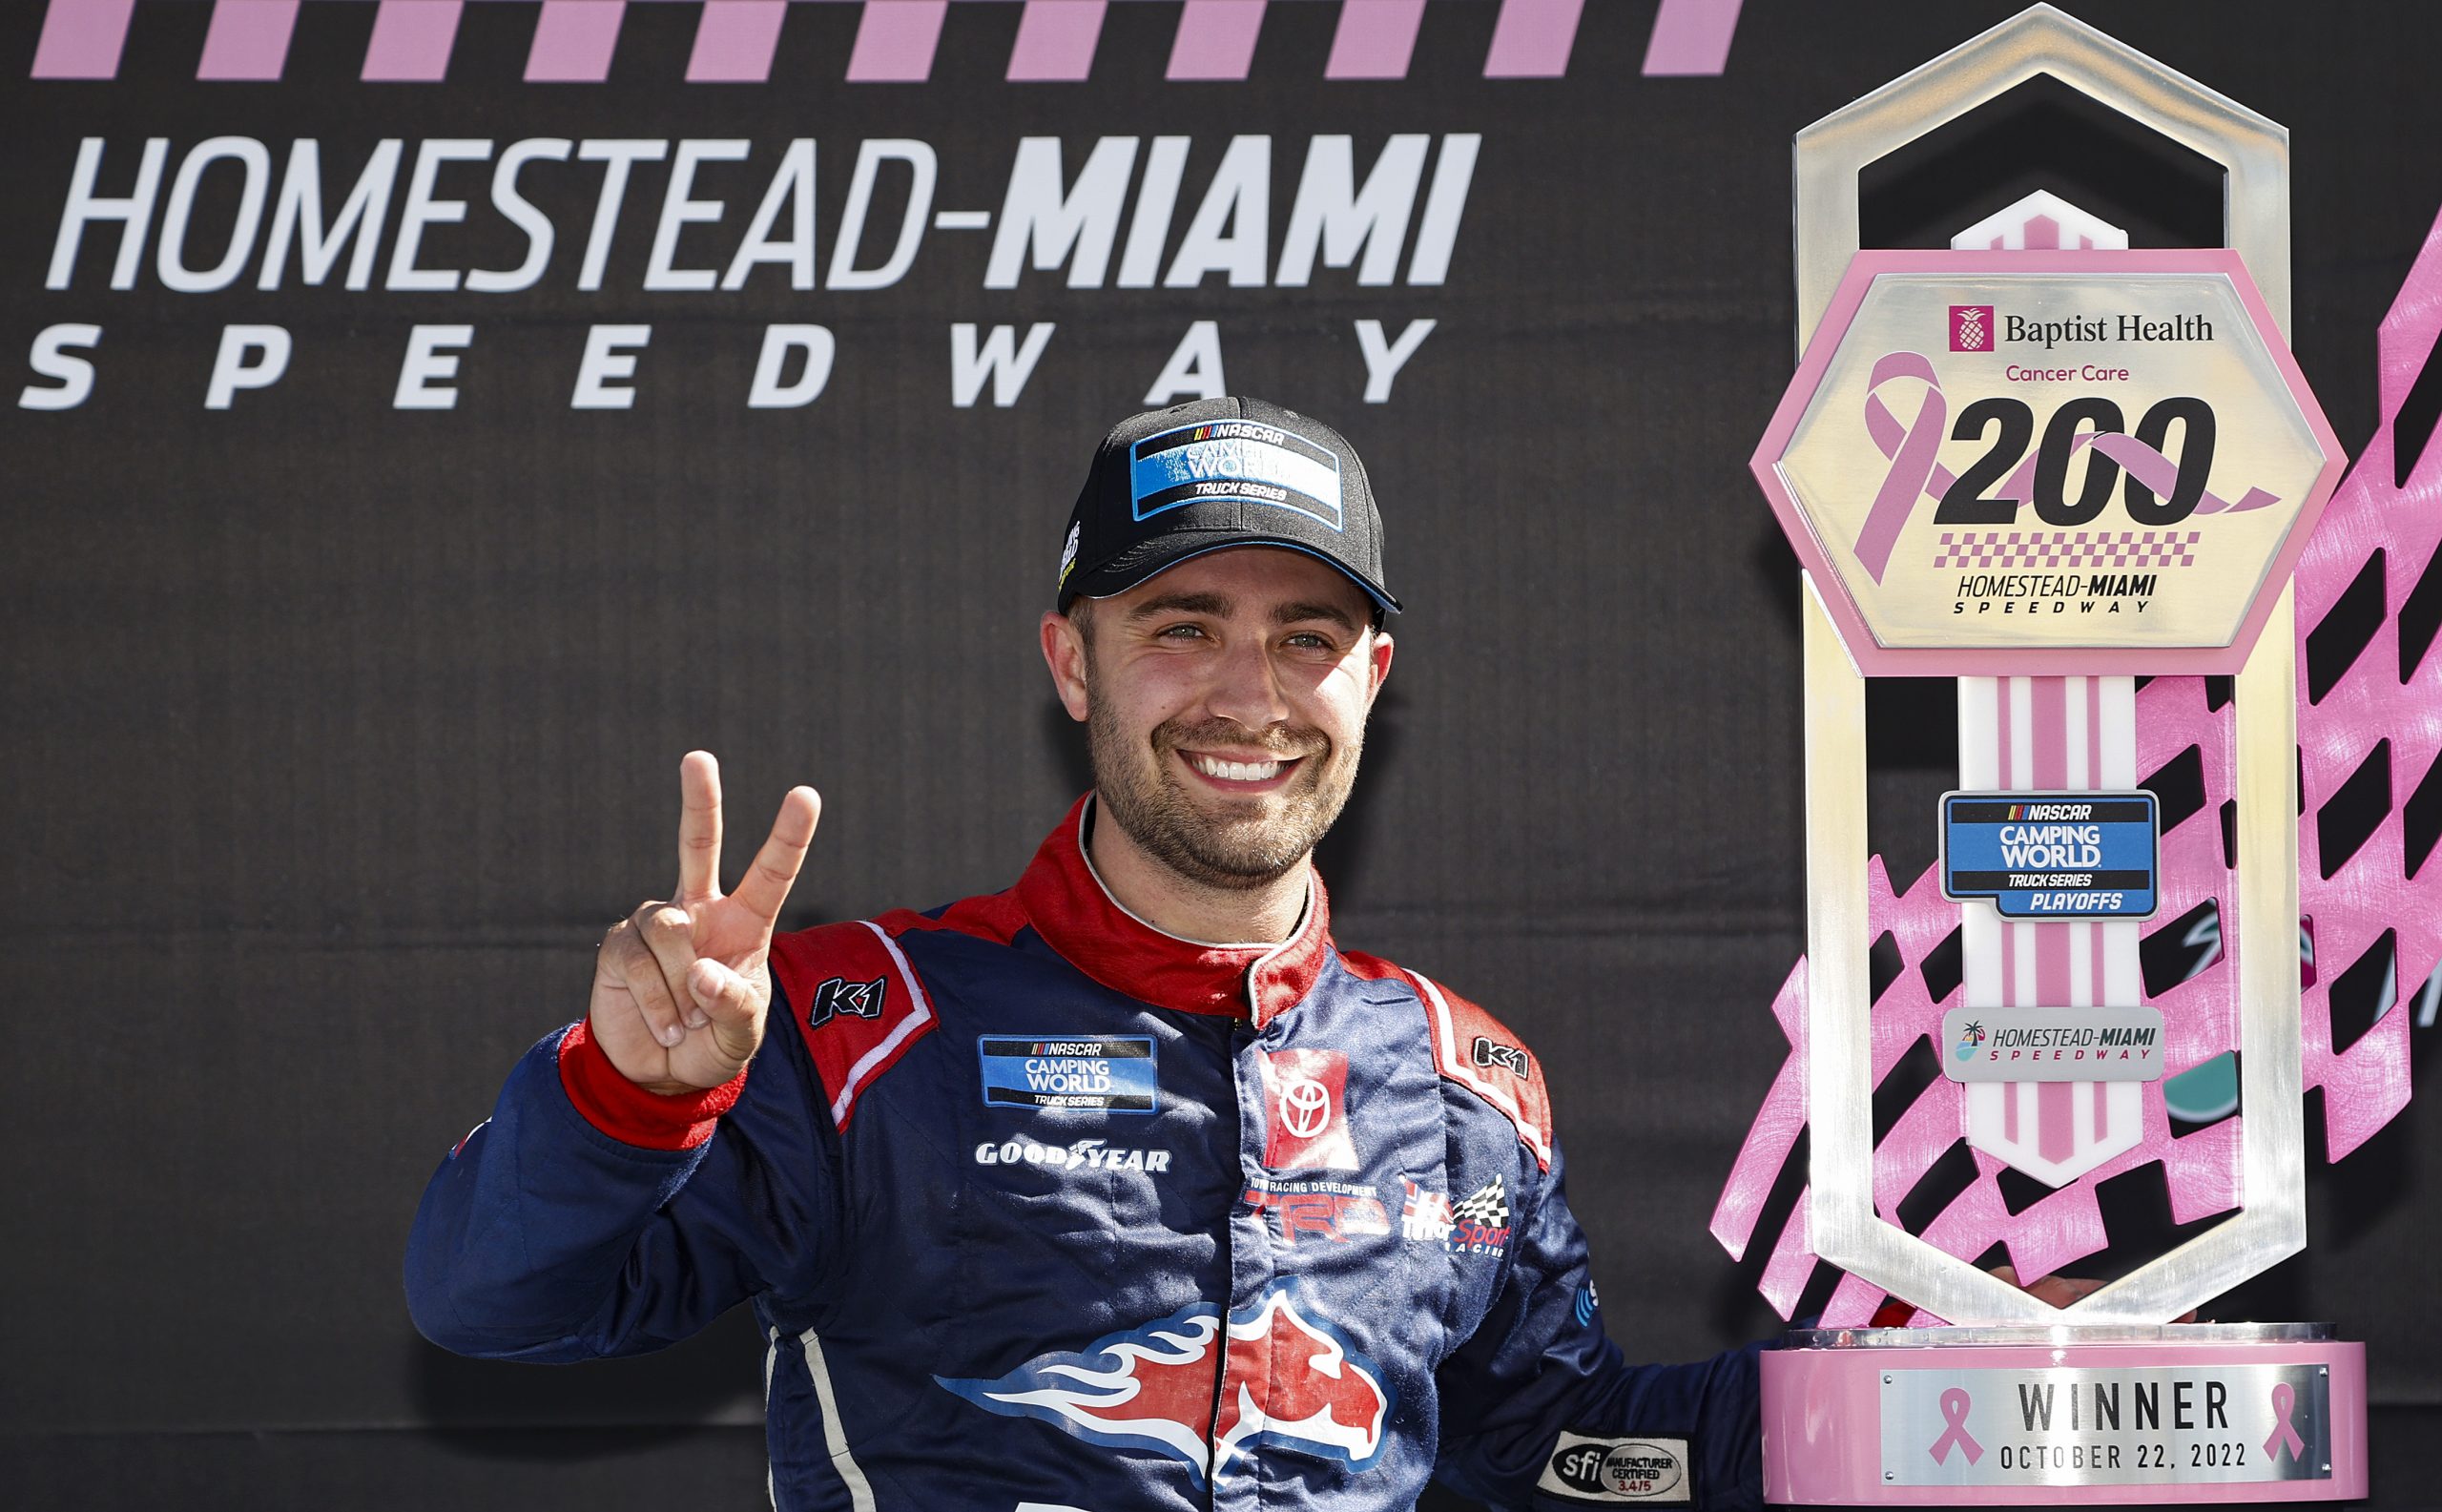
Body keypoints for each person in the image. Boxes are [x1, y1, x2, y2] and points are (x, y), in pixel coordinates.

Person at [405, 396, 1769, 1510]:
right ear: (1073, 661)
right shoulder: (853, 1027)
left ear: (1372, 677)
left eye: (1308, 637)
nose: (1252, 694)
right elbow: (491, 1301)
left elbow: (1566, 1451)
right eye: (1184, 627)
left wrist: (1870, 1407)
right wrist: (625, 1100)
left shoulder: (1465, 1090)